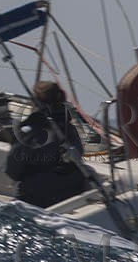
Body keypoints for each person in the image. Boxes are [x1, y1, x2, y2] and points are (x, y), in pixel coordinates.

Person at [5, 80, 90, 208]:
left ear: (36, 102)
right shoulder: (69, 129)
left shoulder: (28, 133)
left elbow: (12, 170)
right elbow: (79, 154)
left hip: (36, 196)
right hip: (71, 190)